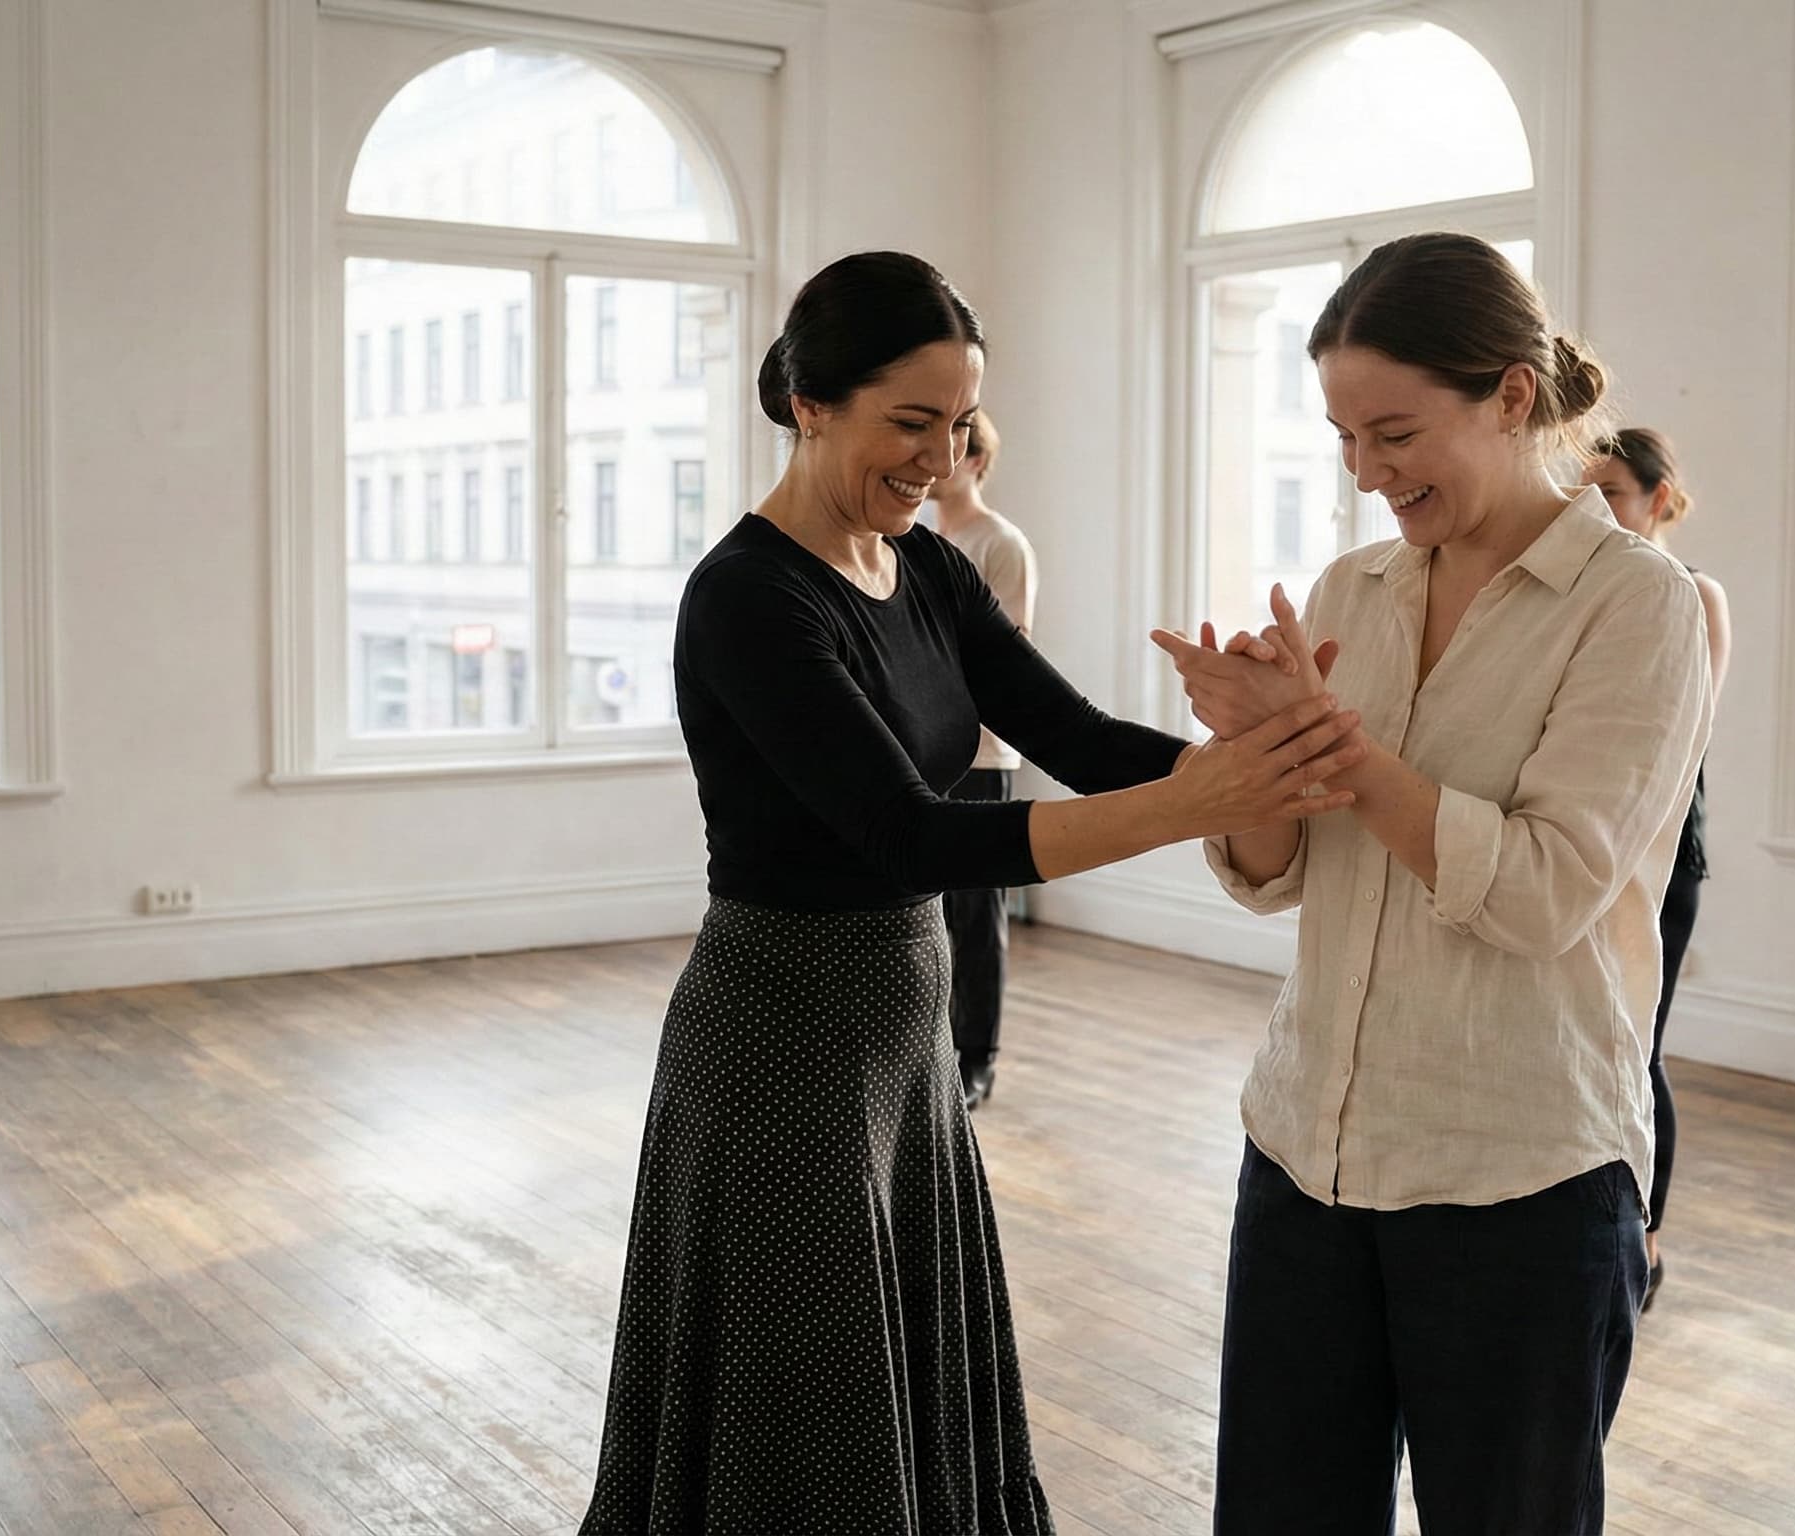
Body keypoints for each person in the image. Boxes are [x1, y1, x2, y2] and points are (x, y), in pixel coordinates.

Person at [578, 250, 1370, 1536]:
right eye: (910, 422)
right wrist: (1197, 803)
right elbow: (914, 837)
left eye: (957, 426)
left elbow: (1074, 736)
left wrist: (1256, 761)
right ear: (808, 403)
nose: (939, 460)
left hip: (903, 1030)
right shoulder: (746, 599)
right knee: (803, 1410)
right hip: (781, 1041)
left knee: (891, 1388)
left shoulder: (932, 569)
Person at [1154, 231, 1713, 1535]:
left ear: (1512, 397)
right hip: (1303, 1151)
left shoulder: (1638, 606)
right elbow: (1277, 881)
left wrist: (1339, 750)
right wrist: (1257, 764)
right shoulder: (1351, 590)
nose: (1366, 473)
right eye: (1345, 439)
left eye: (1394, 433)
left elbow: (1542, 893)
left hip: (1519, 1176)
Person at [1582, 427, 1731, 1311]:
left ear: (1659, 500)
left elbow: (1674, 735)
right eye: (1581, 490)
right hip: (1592, 846)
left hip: (1660, 857)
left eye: (1610, 492)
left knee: (1641, 1044)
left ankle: (1648, 1238)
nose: (1592, 508)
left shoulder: (1692, 593)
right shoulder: (1581, 592)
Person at [929, 409, 1037, 1108]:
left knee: (975, 913)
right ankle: (935, 1053)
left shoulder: (1001, 544)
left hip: (983, 756)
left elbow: (1009, 657)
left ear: (976, 460)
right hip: (922, 752)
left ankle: (978, 1059)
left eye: (955, 445)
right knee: (928, 913)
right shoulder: (912, 542)